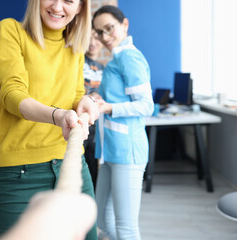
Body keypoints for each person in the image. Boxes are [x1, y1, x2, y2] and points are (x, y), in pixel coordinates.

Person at [0, 0, 99, 239]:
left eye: (69, 1)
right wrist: (57, 115)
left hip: (71, 165)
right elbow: (11, 94)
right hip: (20, 172)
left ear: (80, 7)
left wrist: (85, 103)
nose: (58, 6)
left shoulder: (75, 45)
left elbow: (76, 95)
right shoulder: (10, 30)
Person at [92, 5, 154, 240]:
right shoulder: (117, 59)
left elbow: (146, 105)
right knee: (103, 222)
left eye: (109, 29)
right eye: (99, 32)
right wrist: (100, 99)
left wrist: (108, 107)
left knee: (126, 228)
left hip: (128, 152)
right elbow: (119, 98)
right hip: (111, 152)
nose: (105, 37)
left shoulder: (130, 57)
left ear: (124, 25)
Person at [83, 29, 104, 190]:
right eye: (88, 38)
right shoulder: (79, 61)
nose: (92, 43)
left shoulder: (102, 68)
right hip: (81, 123)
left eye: (96, 38)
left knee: (92, 169)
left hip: (96, 127)